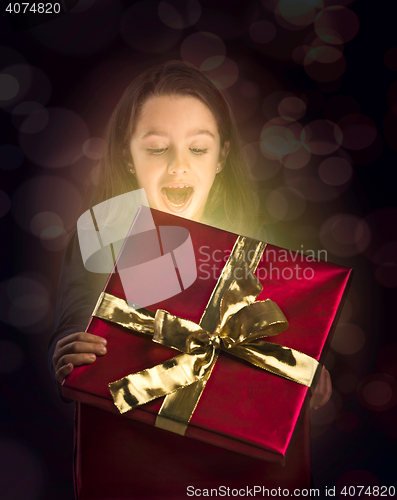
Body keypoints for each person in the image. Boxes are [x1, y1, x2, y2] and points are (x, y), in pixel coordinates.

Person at [49, 61, 331, 497]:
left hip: (237, 460)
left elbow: (287, 339)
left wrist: (309, 374)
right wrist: (67, 350)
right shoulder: (101, 231)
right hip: (130, 457)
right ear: (128, 155)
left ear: (221, 157)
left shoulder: (255, 240)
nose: (179, 165)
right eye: (158, 148)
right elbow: (75, 324)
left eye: (198, 150)